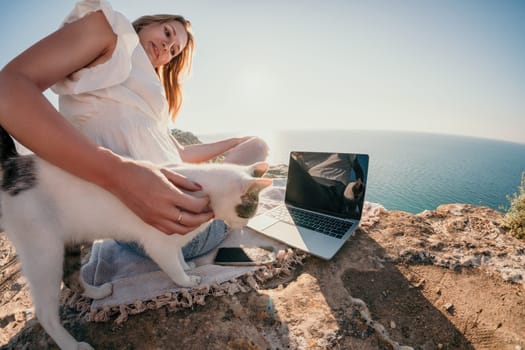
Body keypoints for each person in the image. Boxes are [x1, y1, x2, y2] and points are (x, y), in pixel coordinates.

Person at [0, 0, 268, 259]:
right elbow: (8, 88)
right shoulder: (111, 32)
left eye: (173, 51)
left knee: (254, 143)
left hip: (154, 224)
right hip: (167, 229)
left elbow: (181, 154)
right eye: (167, 33)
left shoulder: (146, 97)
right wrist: (119, 174)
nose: (166, 47)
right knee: (258, 147)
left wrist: (233, 141)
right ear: (149, 23)